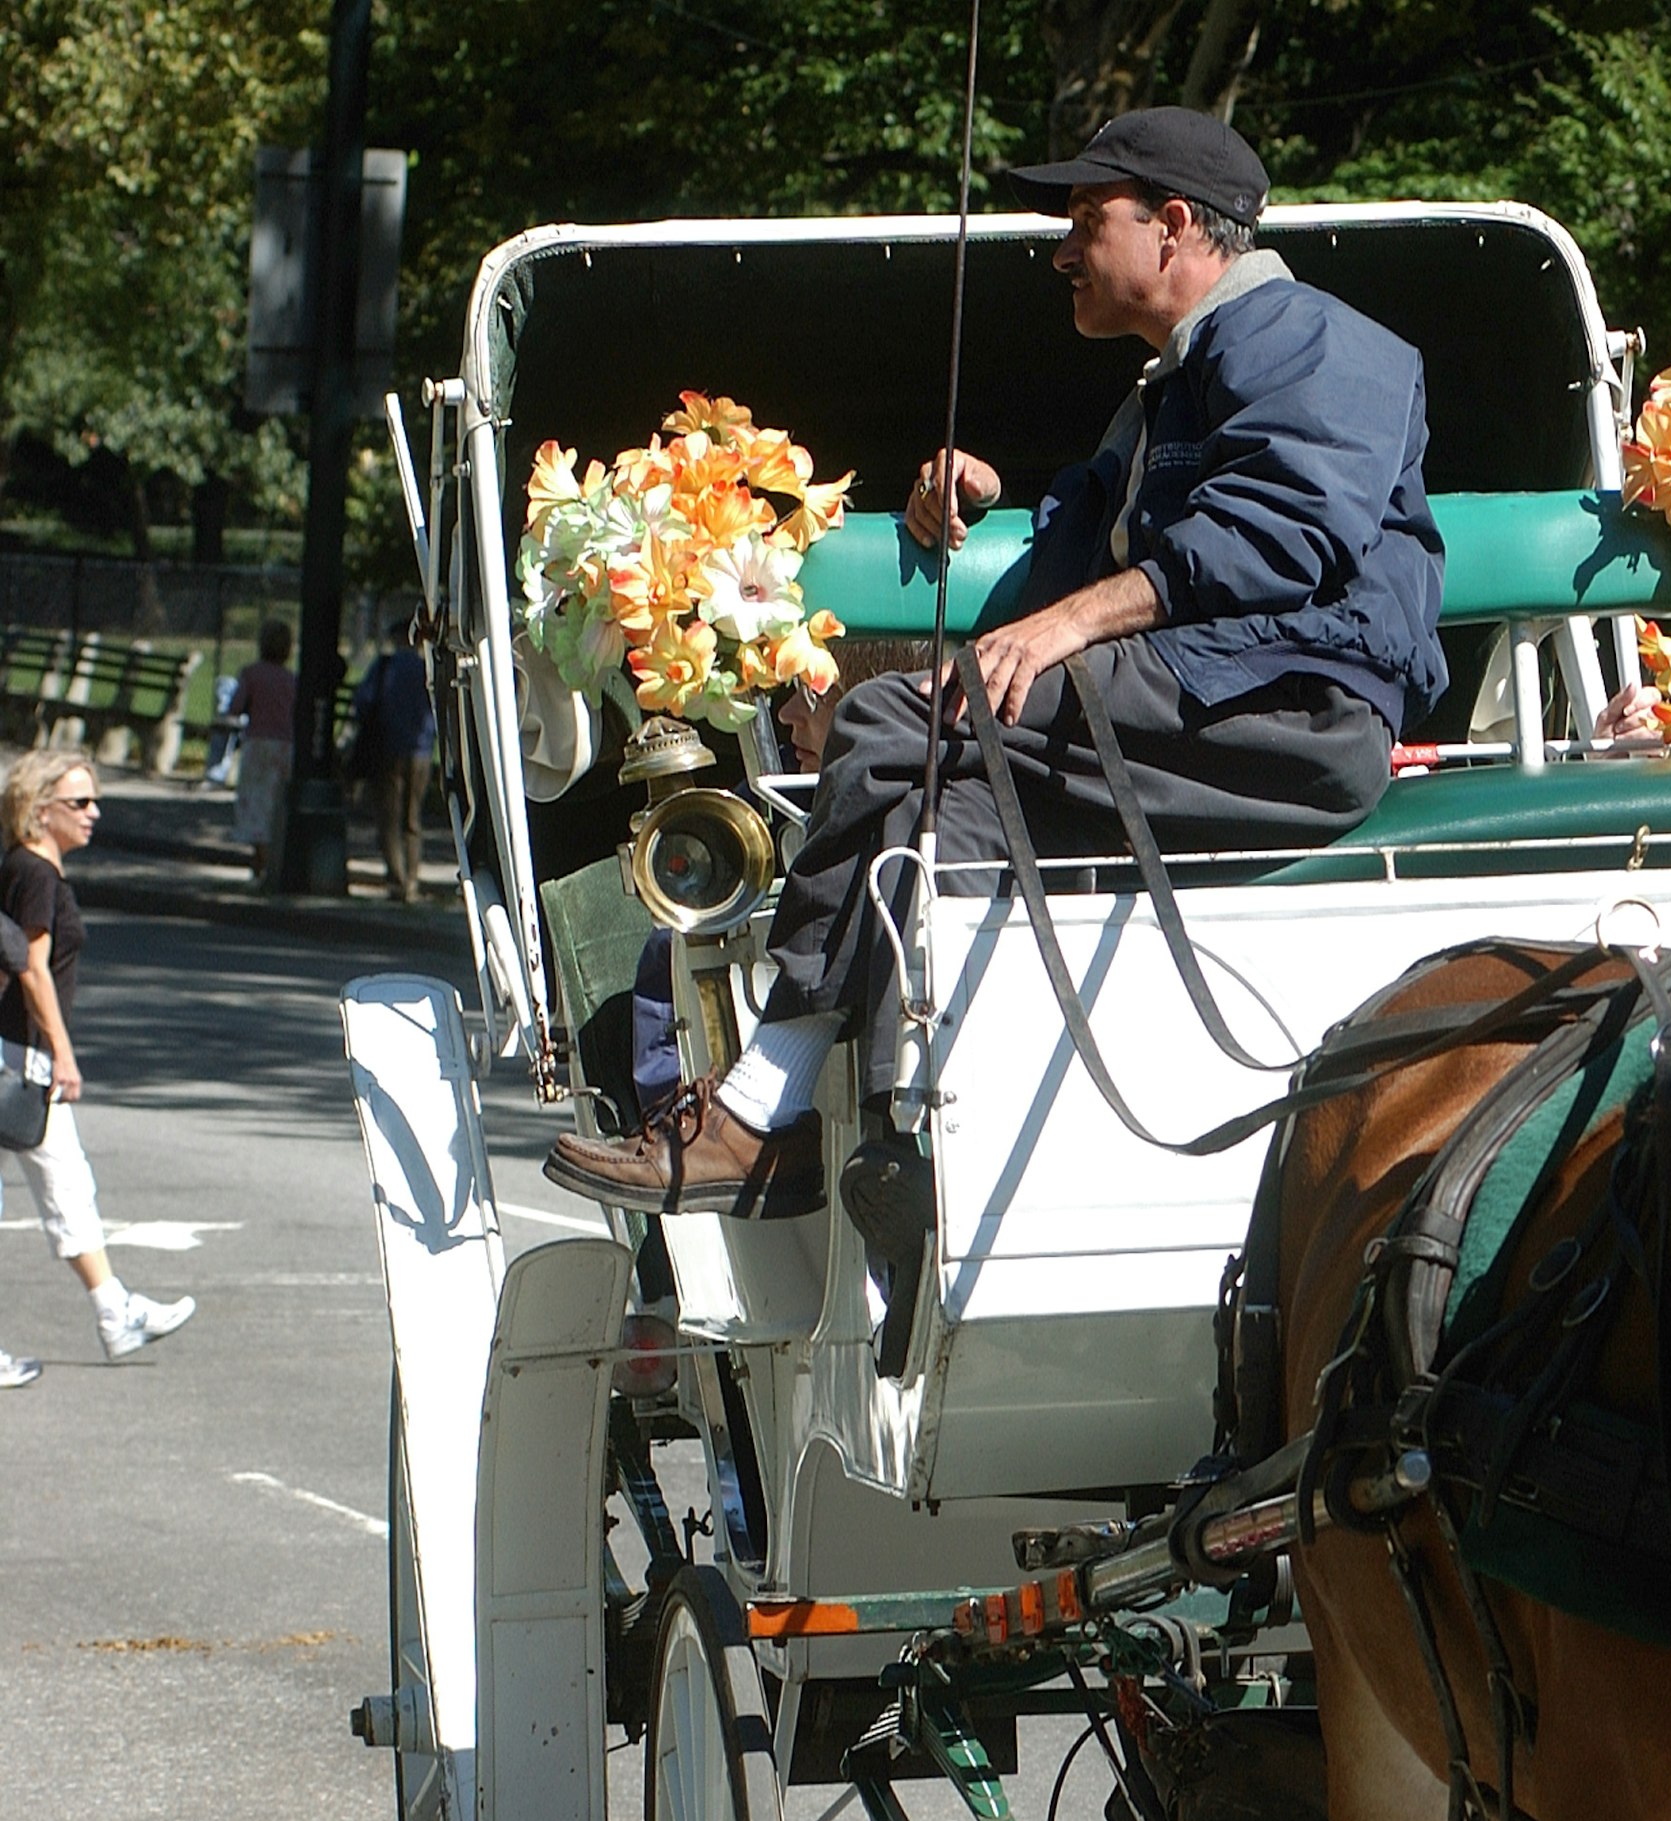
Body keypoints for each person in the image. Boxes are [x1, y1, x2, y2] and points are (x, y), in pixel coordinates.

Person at [546, 106, 1447, 1225]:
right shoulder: (1170, 386)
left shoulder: (1311, 337)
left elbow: (1279, 536)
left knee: (886, 724)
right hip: (1202, 712)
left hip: (1286, 714)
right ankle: (903, 1155)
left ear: (1172, 226)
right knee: (940, 833)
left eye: (1084, 218)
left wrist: (1063, 626)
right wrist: (972, 497)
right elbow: (1108, 557)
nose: (1061, 251)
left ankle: (753, 1119)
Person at [1, 744, 199, 1380]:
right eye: (80, 802)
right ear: (40, 809)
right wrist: (61, 1050)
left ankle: (115, 1313)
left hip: (19, 1055)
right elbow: (32, 969)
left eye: (95, 801)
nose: (93, 813)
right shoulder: (34, 873)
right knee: (67, 1185)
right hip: (19, 1058)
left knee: (69, 1187)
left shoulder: (30, 869)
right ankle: (115, 1313)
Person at [354, 606, 436, 905]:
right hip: (422, 750)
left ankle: (396, 878)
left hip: (387, 747)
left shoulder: (385, 666)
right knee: (413, 818)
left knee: (388, 817)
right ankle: (412, 879)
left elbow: (363, 702)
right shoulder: (427, 668)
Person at [229, 620, 297, 877]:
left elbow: (235, 707)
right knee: (276, 804)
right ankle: (271, 861)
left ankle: (260, 859)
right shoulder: (291, 679)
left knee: (256, 803)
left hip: (257, 743)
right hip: (285, 746)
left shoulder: (251, 673)